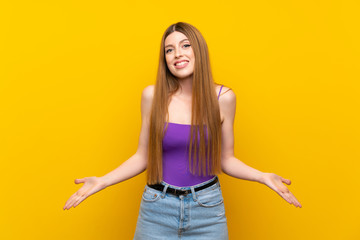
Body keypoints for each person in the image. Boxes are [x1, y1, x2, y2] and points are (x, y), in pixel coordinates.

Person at [63, 22, 302, 239]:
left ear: (199, 50)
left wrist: (262, 176)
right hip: (157, 208)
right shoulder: (152, 96)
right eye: (169, 50)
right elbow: (142, 156)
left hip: (207, 209)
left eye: (185, 45)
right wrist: (102, 181)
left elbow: (226, 160)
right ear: (164, 59)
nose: (177, 54)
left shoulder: (224, 99)